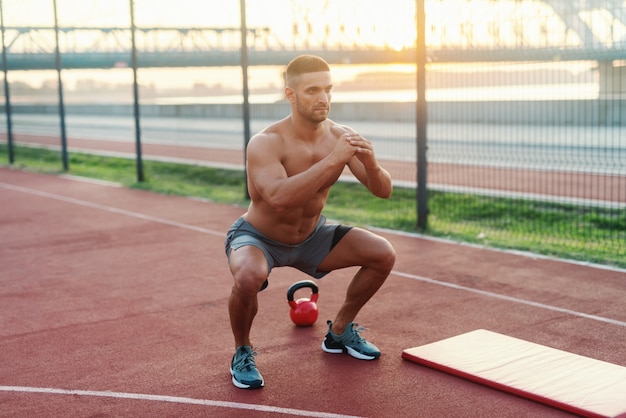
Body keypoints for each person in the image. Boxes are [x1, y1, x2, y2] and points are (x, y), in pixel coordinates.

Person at [224, 55, 396, 389]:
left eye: (328, 89)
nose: (324, 98)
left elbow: (383, 191)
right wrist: (336, 159)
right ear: (290, 94)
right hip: (260, 238)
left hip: (311, 237)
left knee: (383, 254)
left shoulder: (340, 135)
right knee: (248, 276)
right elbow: (278, 197)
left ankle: (340, 332)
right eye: (313, 90)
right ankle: (242, 351)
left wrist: (372, 165)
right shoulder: (265, 143)